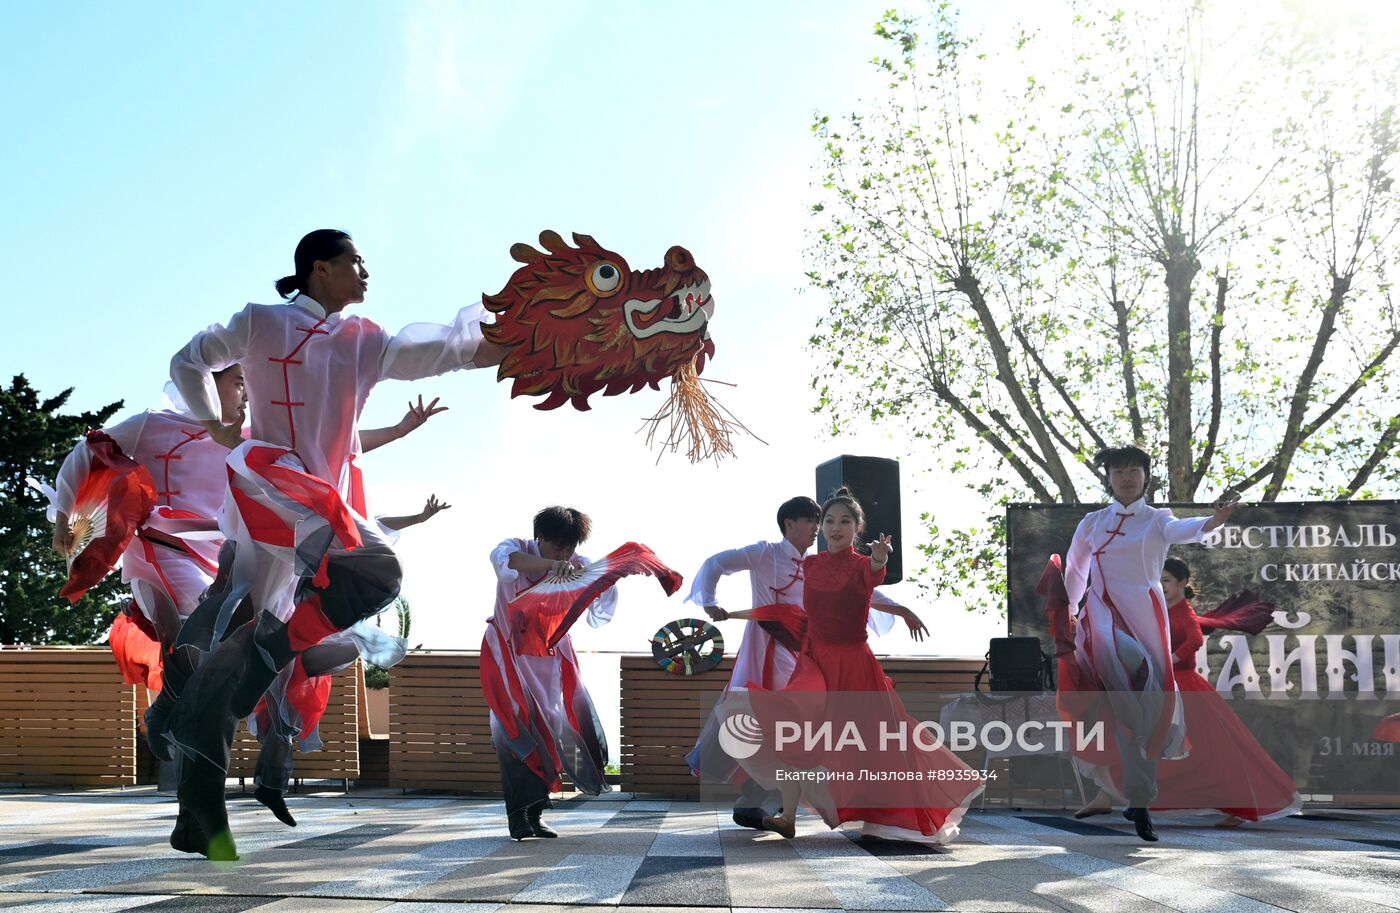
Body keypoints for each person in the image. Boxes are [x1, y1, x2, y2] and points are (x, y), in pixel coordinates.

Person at [161, 228, 505, 860]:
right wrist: (212, 420)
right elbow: (188, 360)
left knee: (357, 585)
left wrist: (514, 346)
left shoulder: (362, 338)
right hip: (270, 483)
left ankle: (198, 804)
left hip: (325, 501)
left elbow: (442, 350)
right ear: (320, 268)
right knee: (363, 570)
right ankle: (246, 689)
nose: (366, 272)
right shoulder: (260, 321)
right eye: (356, 262)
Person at [747, 488, 982, 845]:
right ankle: (788, 817)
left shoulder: (862, 565)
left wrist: (879, 559)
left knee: (875, 743)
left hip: (854, 666)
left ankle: (893, 817)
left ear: (857, 528)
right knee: (795, 734)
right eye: (829, 521)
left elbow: (874, 576)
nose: (835, 527)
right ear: (821, 527)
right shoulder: (810, 565)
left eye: (845, 521)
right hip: (813, 664)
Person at [685, 495, 909, 830]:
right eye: (815, 521)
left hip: (803, 651)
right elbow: (715, 563)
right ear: (790, 523)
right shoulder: (765, 553)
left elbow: (861, 587)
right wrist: (709, 602)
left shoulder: (815, 563)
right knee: (755, 713)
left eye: (833, 521)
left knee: (797, 725)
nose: (820, 529)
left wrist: (901, 608)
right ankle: (760, 798)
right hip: (764, 646)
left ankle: (775, 804)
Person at [1060, 445, 1240, 842]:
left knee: (1147, 715)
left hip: (1145, 614)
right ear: (1108, 477)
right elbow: (1075, 568)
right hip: (1103, 618)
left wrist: (1215, 520)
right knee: (1129, 670)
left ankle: (1139, 801)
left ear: (1145, 477)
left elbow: (1184, 531)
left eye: (1134, 470)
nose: (1127, 476)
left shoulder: (1158, 519)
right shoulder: (1092, 522)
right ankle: (1131, 778)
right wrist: (1070, 613)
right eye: (1119, 470)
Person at [1075, 557, 1301, 826]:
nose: (1162, 585)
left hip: (1186, 691)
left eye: (1167, 580)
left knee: (1210, 753)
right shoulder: (1157, 609)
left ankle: (1242, 807)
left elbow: (1194, 639)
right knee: (1137, 740)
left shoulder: (1185, 611)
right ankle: (1107, 795)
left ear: (1183, 583)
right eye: (1159, 580)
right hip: (1162, 687)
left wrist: (1168, 659)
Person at [481, 506, 615, 841]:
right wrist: (552, 565)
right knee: (514, 733)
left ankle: (536, 814)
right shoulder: (516, 547)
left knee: (554, 734)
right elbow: (505, 563)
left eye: (570, 548)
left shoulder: (576, 565)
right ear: (539, 537)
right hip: (509, 657)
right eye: (558, 547)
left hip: (552, 661)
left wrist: (600, 576)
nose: (566, 554)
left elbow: (602, 589)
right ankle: (517, 818)